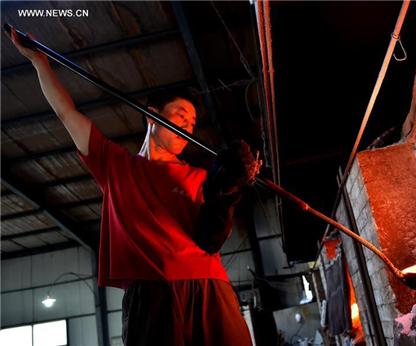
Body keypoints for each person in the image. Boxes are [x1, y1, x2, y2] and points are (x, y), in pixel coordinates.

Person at [7, 28, 258, 346]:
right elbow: (66, 112)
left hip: (209, 289)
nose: (188, 126)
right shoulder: (115, 165)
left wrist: (227, 191)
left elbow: (211, 239)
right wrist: (39, 63)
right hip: (150, 294)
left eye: (193, 123)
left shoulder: (203, 178)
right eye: (181, 116)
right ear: (153, 116)